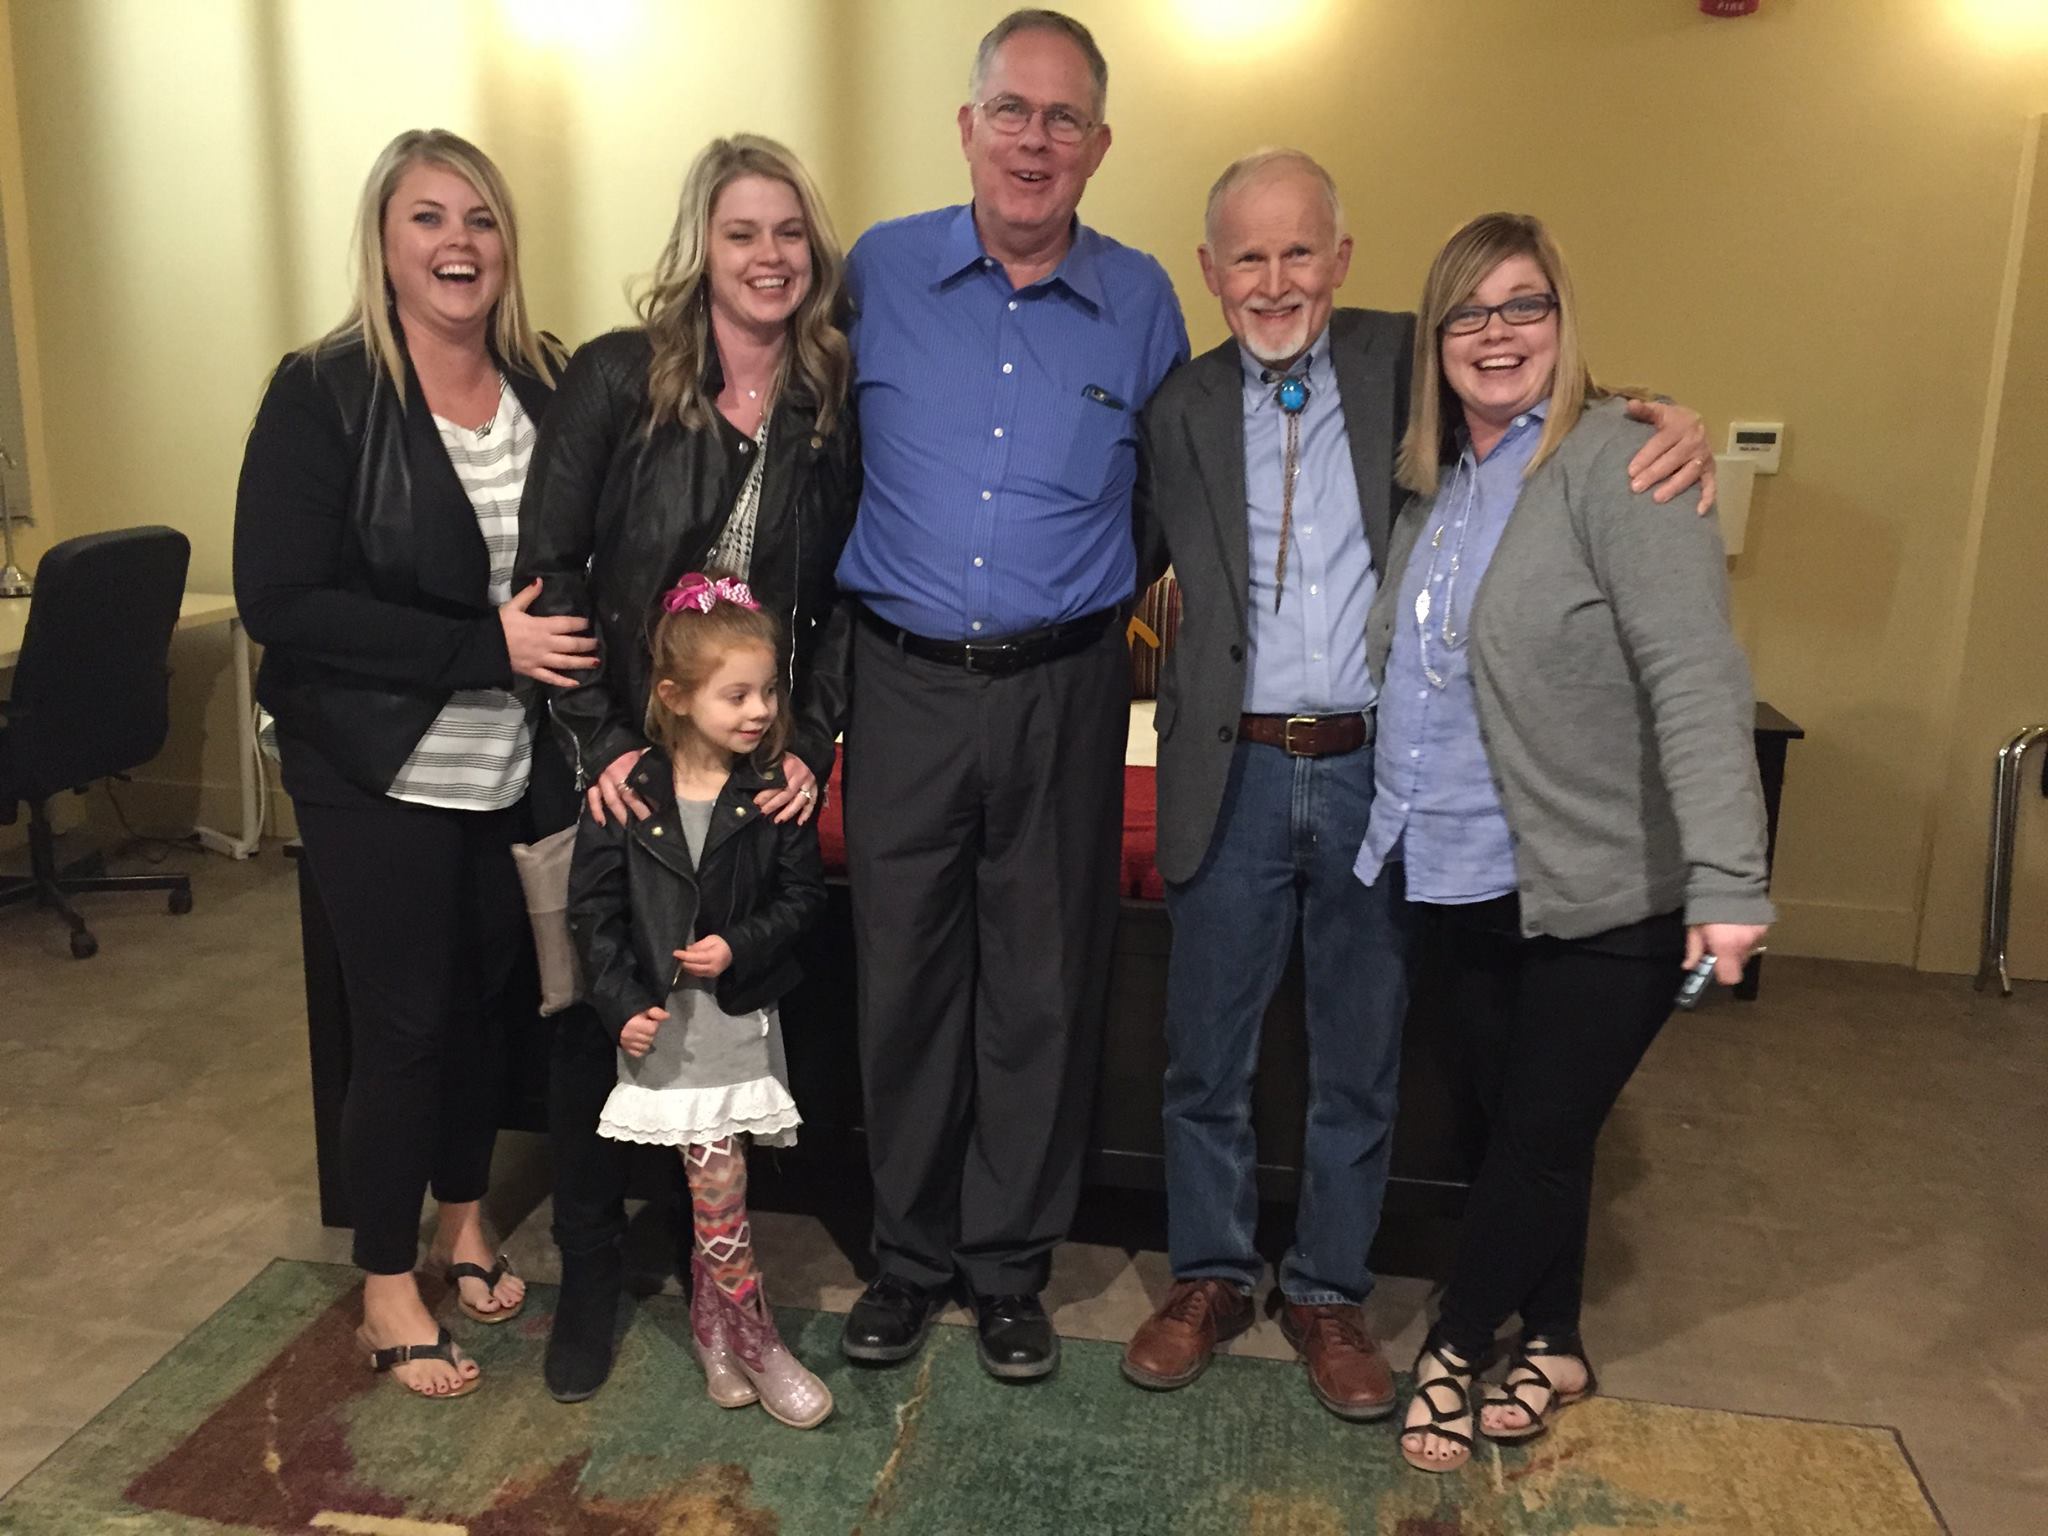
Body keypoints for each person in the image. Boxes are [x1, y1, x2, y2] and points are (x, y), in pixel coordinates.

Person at [1123, 152, 1716, 1420]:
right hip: (1222, 775)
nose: (1273, 281)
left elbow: (1546, 387)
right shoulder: (1173, 407)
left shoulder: (1408, 356)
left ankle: (1328, 1292)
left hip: (1364, 775)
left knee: (1360, 1058)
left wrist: (1667, 416)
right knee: (1201, 1059)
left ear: (1339, 261)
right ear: (1209, 271)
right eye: (1247, 257)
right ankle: (1211, 1276)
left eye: (1299, 253)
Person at [1351, 213, 1772, 1472]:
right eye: (1467, 313)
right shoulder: (1433, 484)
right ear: (1434, 339)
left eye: (1522, 306)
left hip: (1606, 886)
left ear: (1561, 319)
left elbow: (1695, 676)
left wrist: (1729, 880)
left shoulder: (1617, 467)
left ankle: (1453, 1344)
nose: (1494, 334)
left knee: (1535, 1133)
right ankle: (1555, 1338)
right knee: (1524, 1128)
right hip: (1457, 873)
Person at [832, 9, 1188, 1383]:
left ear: (1100, 145)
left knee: (1042, 986)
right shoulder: (877, 271)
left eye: (1064, 119)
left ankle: (1010, 1266)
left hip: (1064, 689)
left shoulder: (1148, 296)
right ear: (966, 126)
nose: (1034, 140)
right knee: (905, 977)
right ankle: (909, 1261)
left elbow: (1167, 494)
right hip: (905, 684)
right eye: (1012, 111)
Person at [234, 129, 586, 1399]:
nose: (458, 242)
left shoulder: (542, 382)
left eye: (480, 219)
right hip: (371, 761)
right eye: (428, 217)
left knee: (485, 1002)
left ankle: (463, 1216)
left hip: (509, 762)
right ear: (384, 244)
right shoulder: (322, 391)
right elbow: (281, 598)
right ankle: (387, 1281)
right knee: (400, 1025)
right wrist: (479, 645)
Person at [515, 133, 857, 1403]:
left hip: (749, 757)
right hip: (612, 753)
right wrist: (600, 746)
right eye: (740, 233)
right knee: (593, 1008)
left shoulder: (830, 400)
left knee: (732, 1009)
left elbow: (841, 607)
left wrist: (809, 745)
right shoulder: (616, 379)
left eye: (787, 233)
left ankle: (726, 1295)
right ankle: (595, 1277)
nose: (768, 257)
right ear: (700, 250)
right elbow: (550, 576)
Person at [567, 573, 833, 1429]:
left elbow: (802, 901)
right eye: (737, 694)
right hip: (659, 1029)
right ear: (675, 697)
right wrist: (617, 1003)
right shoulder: (625, 793)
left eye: (768, 692)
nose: (760, 711)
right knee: (716, 1183)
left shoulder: (770, 796)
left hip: (735, 1021)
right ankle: (749, 1336)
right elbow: (594, 913)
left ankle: (724, 1332)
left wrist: (737, 944)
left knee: (718, 1181)